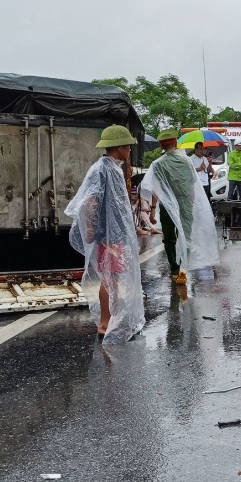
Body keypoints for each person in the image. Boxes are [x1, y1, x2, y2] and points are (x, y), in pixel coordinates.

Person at [65, 125, 144, 343]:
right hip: (107, 237)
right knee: (110, 278)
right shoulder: (102, 169)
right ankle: (106, 322)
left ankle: (112, 318)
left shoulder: (112, 167)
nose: (129, 149)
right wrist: (91, 227)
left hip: (114, 235)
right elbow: (92, 199)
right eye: (127, 145)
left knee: (114, 277)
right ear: (118, 146)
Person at [142, 128, 219, 288]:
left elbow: (155, 187)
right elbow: (192, 184)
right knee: (186, 236)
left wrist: (153, 208)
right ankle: (183, 269)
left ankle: (175, 270)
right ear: (176, 143)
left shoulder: (157, 164)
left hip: (167, 205)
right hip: (185, 203)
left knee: (169, 238)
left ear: (161, 146)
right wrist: (191, 203)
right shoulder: (186, 161)